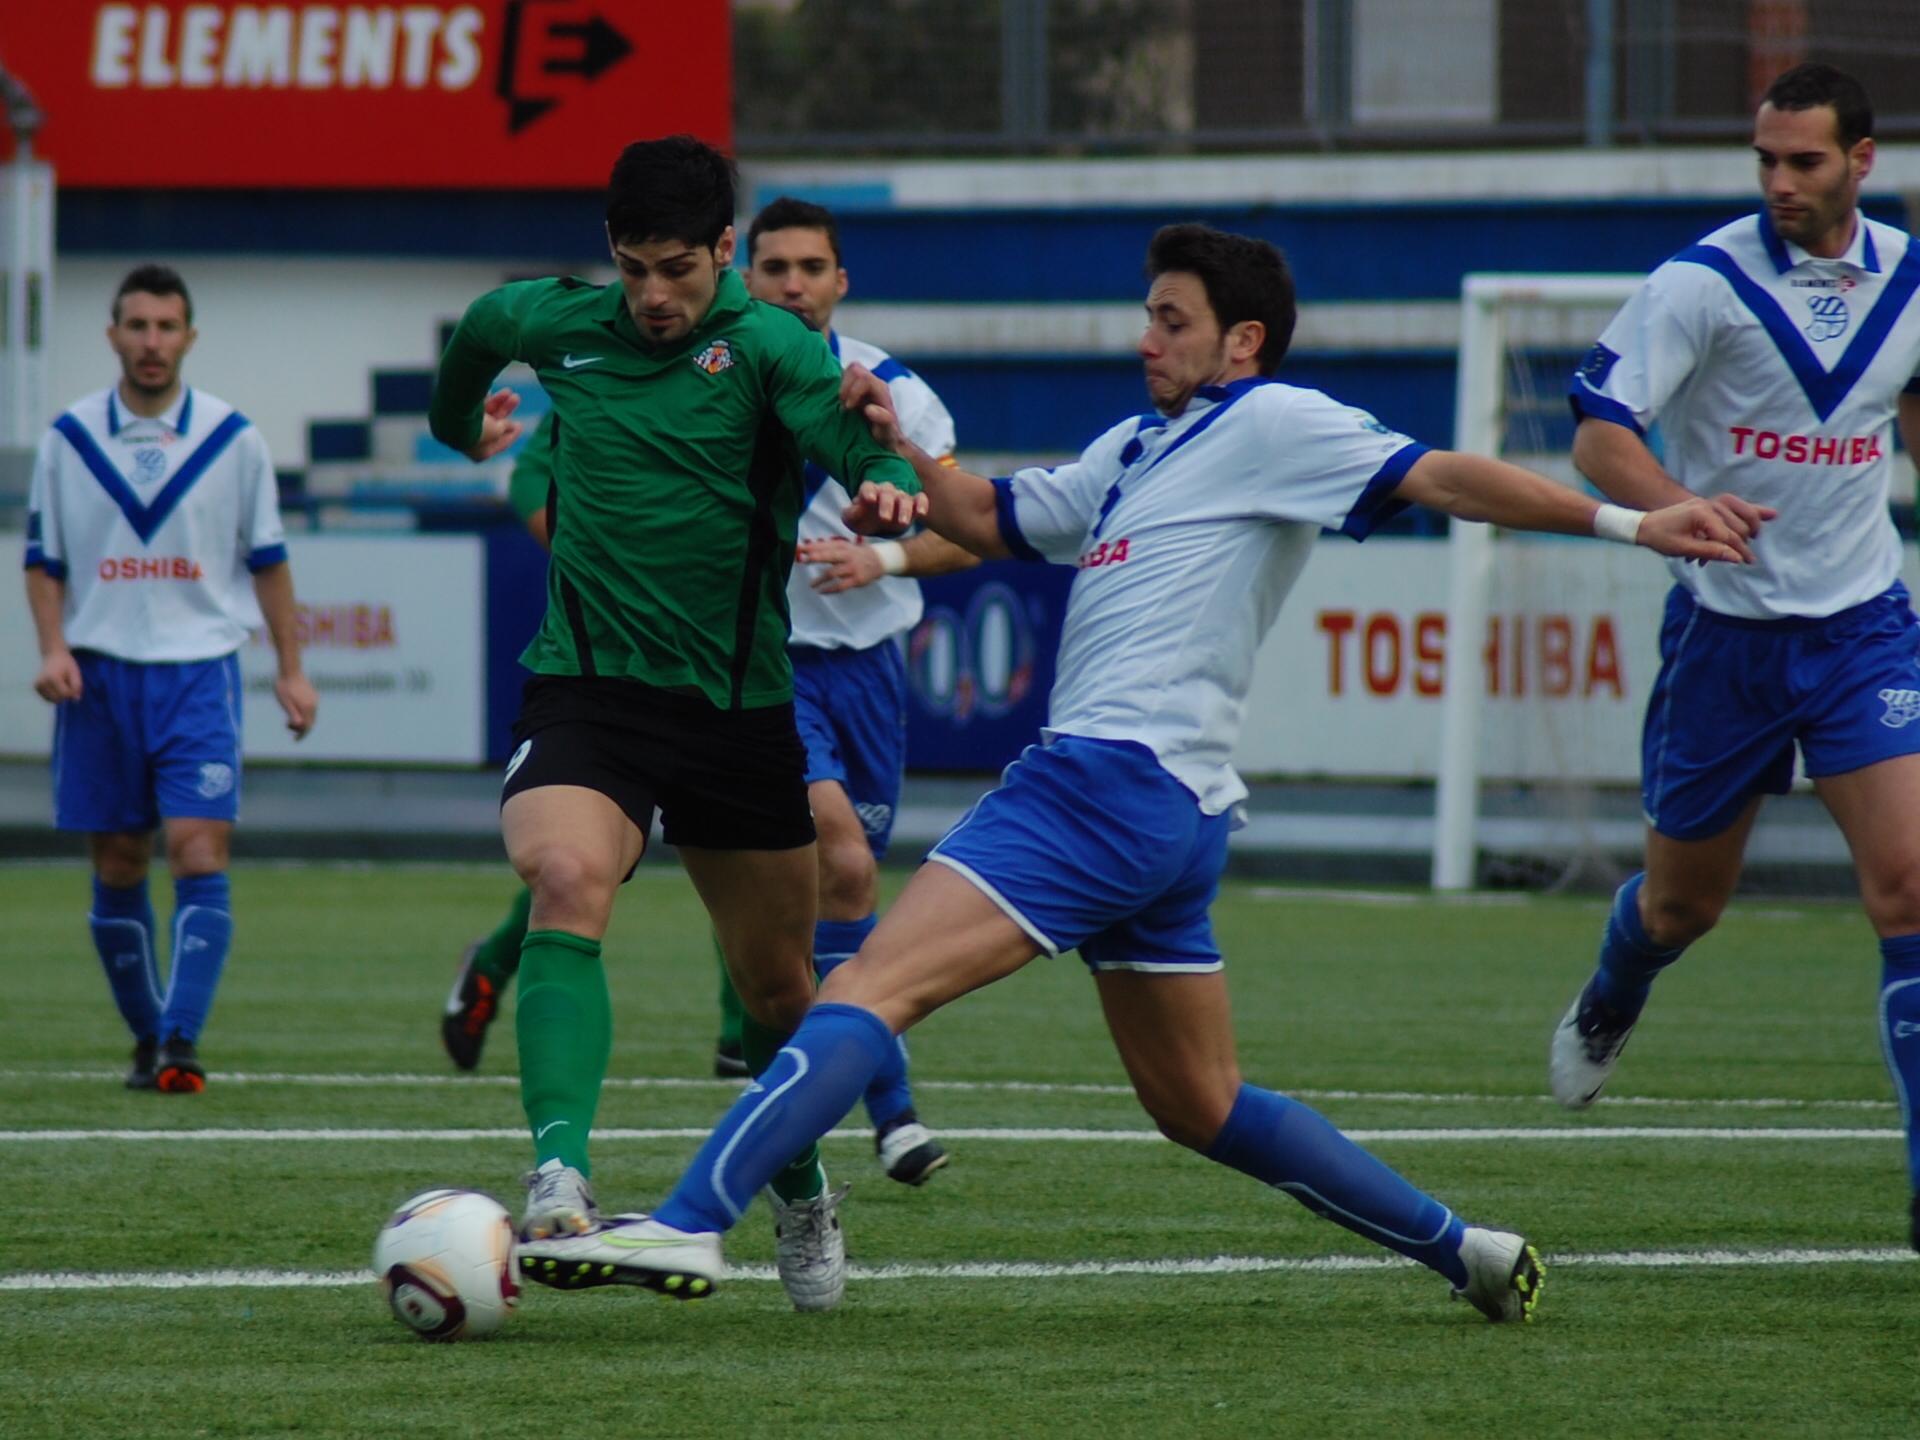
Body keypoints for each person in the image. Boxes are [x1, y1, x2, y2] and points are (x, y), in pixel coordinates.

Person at [512, 224, 1756, 1320]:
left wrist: (1632, 521)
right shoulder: (1137, 447)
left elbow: (1440, 476)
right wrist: (891, 445)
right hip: (1173, 810)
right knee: (1199, 1103)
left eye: (1172, 320)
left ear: (1244, 340)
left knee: (862, 993)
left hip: (1103, 780)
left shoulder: (1273, 421)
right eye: (1148, 314)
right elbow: (990, 519)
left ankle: (688, 1218)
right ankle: (1467, 1250)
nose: (1145, 336)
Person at [427, 136, 921, 1312]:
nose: (654, 296)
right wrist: (462, 427)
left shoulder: (769, 346)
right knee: (561, 877)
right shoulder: (558, 323)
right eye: (634, 269)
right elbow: (480, 338)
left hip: (739, 709)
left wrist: (877, 473)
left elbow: (839, 429)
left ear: (723, 254)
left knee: (775, 993)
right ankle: (558, 1174)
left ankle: (798, 1187)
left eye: (678, 272)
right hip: (589, 691)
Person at [1546, 62, 1920, 1249]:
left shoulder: (1911, 280)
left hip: (1864, 629)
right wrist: (1671, 504)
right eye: (1765, 160)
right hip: (1725, 638)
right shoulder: (1698, 283)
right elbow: (1602, 438)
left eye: (1804, 161)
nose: (1780, 183)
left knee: (1909, 887)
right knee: (1682, 905)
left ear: (1862, 162)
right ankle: (1616, 989)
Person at [24, 262, 317, 1094]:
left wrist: (291, 669)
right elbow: (42, 561)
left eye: (166, 326)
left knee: (197, 847)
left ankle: (182, 1042)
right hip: (99, 681)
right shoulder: (69, 440)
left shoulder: (234, 439)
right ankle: (149, 1036)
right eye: (137, 325)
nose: (152, 342)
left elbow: (268, 563)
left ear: (190, 337)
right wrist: (53, 648)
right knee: (119, 862)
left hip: (198, 675)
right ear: (112, 334)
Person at [744, 196, 981, 1185]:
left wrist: (880, 561)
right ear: (742, 280)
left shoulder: (896, 395)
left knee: (839, 902)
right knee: (839, 860)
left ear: (841, 282)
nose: (792, 284)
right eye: (773, 268)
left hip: (871, 676)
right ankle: (893, 1111)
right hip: (761, 667)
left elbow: (965, 532)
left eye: (811, 267)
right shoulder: (718, 386)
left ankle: (795, 1084)